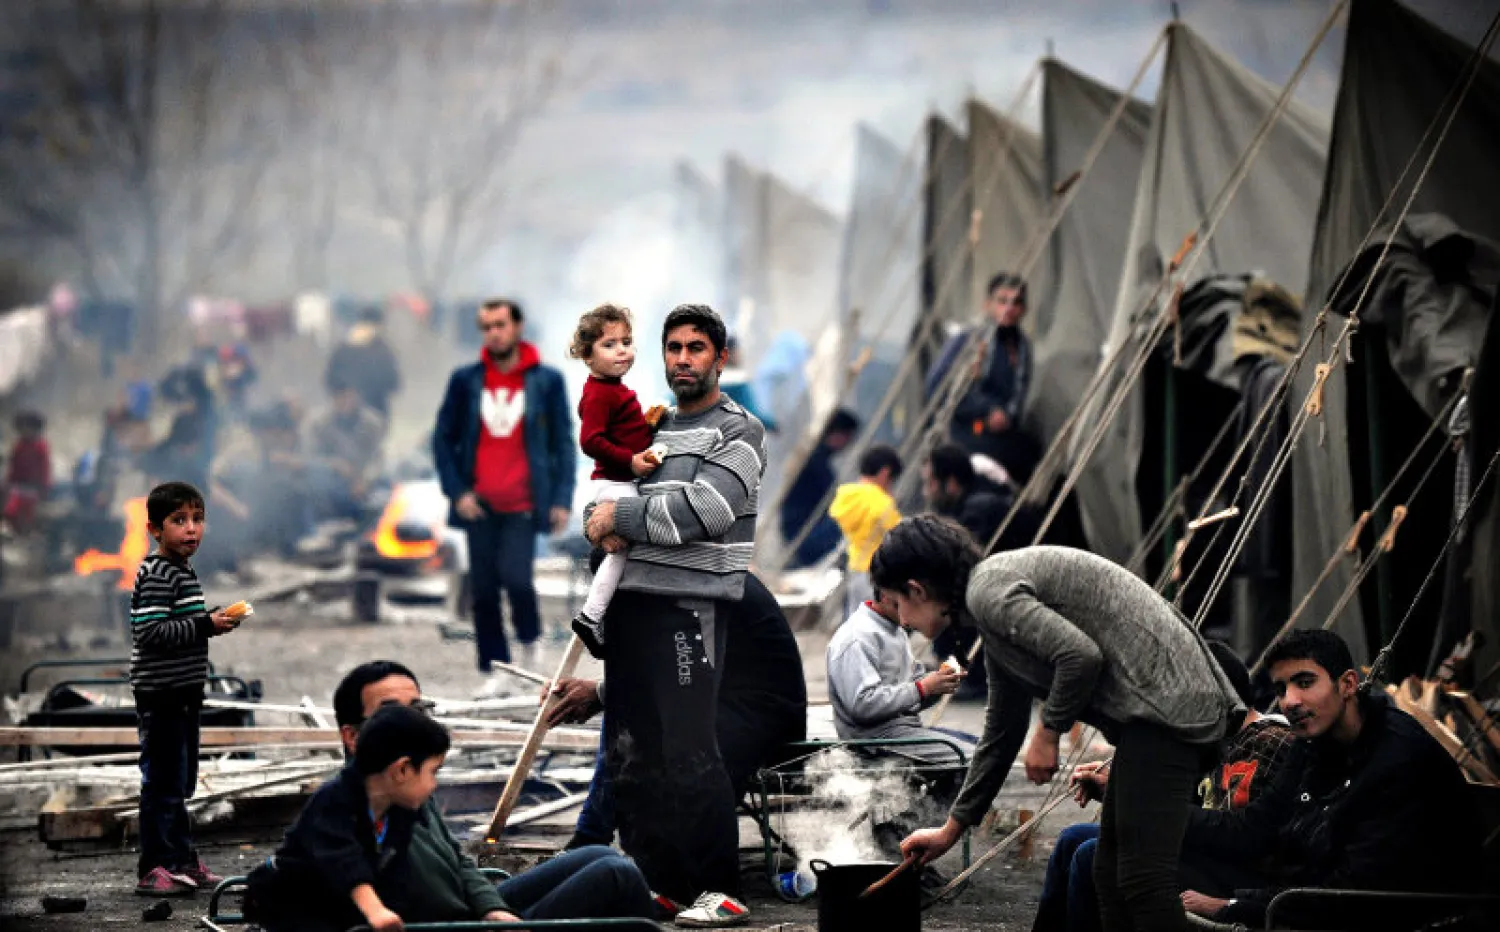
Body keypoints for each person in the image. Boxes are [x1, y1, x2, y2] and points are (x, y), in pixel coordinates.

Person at [883, 517, 1244, 932]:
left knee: (1144, 884)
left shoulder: (988, 590)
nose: (904, 621)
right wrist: (951, 830)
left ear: (917, 589)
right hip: (1153, 719)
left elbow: (1079, 656)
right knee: (1108, 877)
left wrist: (1049, 732)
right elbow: (1001, 728)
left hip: (1170, 710)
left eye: (897, 604)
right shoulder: (991, 609)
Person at [581, 303, 766, 927]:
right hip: (631, 606)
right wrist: (596, 521)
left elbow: (704, 512)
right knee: (634, 753)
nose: (681, 359)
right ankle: (659, 883)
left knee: (690, 749)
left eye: (695, 348)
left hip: (689, 608)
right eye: (673, 348)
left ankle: (720, 887)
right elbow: (606, 491)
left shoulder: (739, 430)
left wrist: (623, 520)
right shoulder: (650, 429)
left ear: (720, 356)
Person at [1179, 629, 1481, 930]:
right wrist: (1160, 813)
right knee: (1165, 858)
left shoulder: (1397, 757)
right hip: (1308, 894)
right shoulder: (1311, 741)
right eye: (1281, 689)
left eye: (1305, 682)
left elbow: (1355, 892)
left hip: (1394, 914)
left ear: (1348, 683)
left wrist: (1234, 906)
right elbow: (1254, 828)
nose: (1290, 702)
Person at [328, 662, 654, 924]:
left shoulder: (405, 782)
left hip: (470, 910)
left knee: (598, 855)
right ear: (352, 736)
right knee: (617, 875)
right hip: (442, 925)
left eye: (416, 708)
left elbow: (457, 862)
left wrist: (490, 906)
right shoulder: (348, 809)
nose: (407, 721)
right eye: (388, 711)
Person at [1034, 642, 1296, 932]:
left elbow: (1241, 832)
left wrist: (1143, 802)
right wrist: (1118, 793)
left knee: (1092, 856)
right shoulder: (1208, 737)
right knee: (1072, 837)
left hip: (1230, 866)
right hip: (1197, 847)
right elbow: (1181, 803)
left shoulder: (1273, 742)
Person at [552, 572, 808, 855]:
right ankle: (593, 838)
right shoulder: (678, 579)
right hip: (721, 704)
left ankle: (596, 840)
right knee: (631, 711)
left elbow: (675, 678)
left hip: (759, 717)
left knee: (642, 722)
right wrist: (605, 692)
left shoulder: (695, 585)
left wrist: (602, 693)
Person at [433, 298, 576, 683]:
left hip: (525, 503)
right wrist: (458, 492)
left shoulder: (546, 381)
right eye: (486, 326)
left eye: (500, 324)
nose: (493, 333)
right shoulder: (466, 380)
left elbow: (563, 442)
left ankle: (531, 644)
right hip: (479, 504)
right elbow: (443, 440)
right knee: (482, 590)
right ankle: (495, 669)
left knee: (516, 579)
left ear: (517, 327)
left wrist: (562, 499)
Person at [247, 704, 452, 932]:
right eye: (433, 772)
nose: (434, 784)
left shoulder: (400, 810)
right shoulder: (334, 798)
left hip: (341, 903)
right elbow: (341, 858)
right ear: (401, 770)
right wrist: (376, 911)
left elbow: (397, 872)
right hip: (291, 897)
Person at [130, 481, 241, 896]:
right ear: (155, 530)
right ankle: (153, 867)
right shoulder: (159, 572)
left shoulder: (181, 570)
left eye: (197, 519)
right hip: (161, 695)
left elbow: (179, 624)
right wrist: (203, 625)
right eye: (179, 520)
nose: (191, 529)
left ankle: (180, 860)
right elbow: (149, 631)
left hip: (182, 693)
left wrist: (210, 621)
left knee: (180, 782)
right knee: (161, 783)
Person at [568, 303, 661, 658]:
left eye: (626, 341)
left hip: (621, 480)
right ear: (587, 356)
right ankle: (592, 616)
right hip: (614, 482)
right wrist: (632, 461)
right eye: (609, 344)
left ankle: (606, 612)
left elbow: (626, 433)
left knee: (627, 550)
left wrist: (649, 424)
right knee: (622, 552)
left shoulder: (616, 390)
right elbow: (590, 440)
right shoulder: (599, 393)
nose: (621, 350)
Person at [826, 584, 965, 764]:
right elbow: (862, 705)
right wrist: (922, 688)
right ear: (886, 596)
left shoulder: (896, 630)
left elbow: (911, 698)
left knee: (977, 745)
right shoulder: (857, 637)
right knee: (973, 759)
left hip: (903, 730)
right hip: (874, 740)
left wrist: (939, 685)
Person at [926, 272, 1040, 482]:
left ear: (1023, 309)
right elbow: (937, 387)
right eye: (1002, 301)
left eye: (1016, 302)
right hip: (968, 439)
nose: (1009, 309)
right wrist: (986, 410)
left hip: (1003, 443)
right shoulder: (968, 340)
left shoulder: (1022, 347)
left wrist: (1006, 416)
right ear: (988, 305)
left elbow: (1019, 395)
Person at [779, 408, 859, 569]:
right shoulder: (816, 461)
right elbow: (835, 500)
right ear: (838, 435)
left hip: (795, 532)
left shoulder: (812, 457)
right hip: (804, 537)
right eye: (849, 437)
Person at [829, 443, 902, 615]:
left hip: (853, 570)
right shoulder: (881, 503)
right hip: (876, 574)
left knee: (854, 619)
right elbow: (900, 535)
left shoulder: (846, 497)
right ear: (885, 473)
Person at [305, 379, 385, 523]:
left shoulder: (371, 422)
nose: (346, 402)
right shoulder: (319, 423)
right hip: (333, 481)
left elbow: (377, 458)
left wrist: (365, 480)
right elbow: (311, 457)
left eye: (350, 397)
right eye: (341, 397)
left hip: (365, 479)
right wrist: (333, 464)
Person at [325, 306, 402, 423]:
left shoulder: (343, 348)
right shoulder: (382, 350)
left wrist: (343, 395)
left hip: (343, 413)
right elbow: (393, 382)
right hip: (377, 412)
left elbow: (330, 379)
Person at [3, 411, 51, 534]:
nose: (25, 430)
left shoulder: (41, 447)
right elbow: (13, 469)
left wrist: (43, 488)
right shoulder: (18, 446)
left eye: (27, 426)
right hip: (17, 485)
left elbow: (45, 470)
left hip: (33, 488)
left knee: (16, 501)